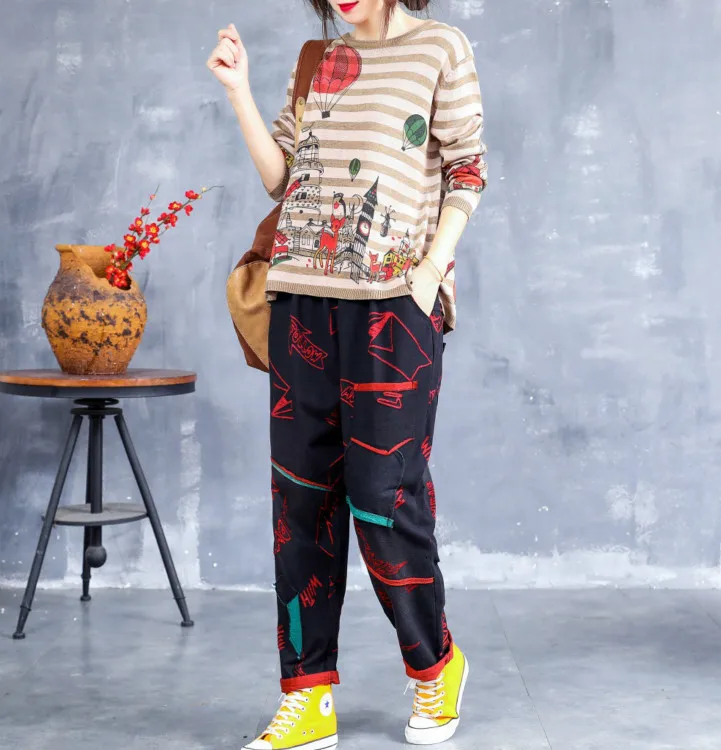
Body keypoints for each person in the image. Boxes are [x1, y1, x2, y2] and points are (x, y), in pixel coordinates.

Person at [207, 1, 488, 747]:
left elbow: (467, 168)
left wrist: (431, 271)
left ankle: (435, 667)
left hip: (394, 308)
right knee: (300, 505)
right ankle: (307, 697)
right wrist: (238, 92)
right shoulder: (317, 58)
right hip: (301, 301)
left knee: (382, 496)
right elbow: (282, 179)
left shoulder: (440, 48)